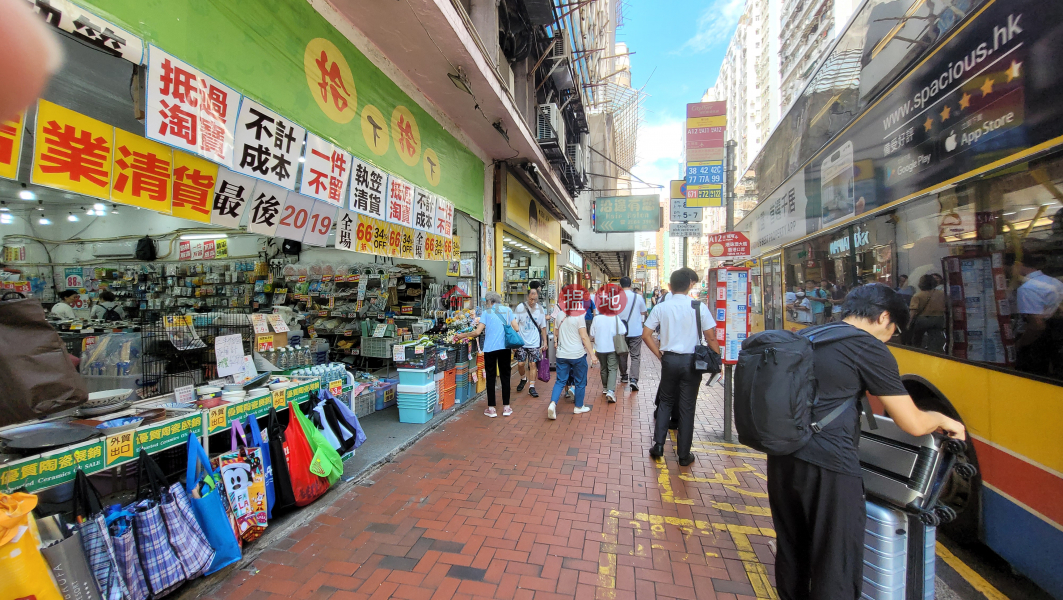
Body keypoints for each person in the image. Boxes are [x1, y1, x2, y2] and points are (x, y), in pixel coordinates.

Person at [767, 283, 965, 600]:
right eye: (894, 329)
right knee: (836, 561)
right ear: (884, 317)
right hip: (829, 466)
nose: (890, 336)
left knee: (792, 549)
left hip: (783, 457)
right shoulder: (868, 347)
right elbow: (912, 422)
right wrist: (943, 419)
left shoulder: (812, 336)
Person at [641, 269, 719, 465]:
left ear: (669, 286)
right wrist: (718, 359)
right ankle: (684, 455)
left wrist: (659, 354)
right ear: (690, 285)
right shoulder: (698, 307)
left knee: (666, 402)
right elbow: (710, 337)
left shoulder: (662, 307)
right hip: (692, 362)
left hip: (669, 360)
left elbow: (646, 334)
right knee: (687, 407)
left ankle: (658, 445)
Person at [455, 292, 520, 417]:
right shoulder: (507, 310)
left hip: (490, 349)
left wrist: (462, 336)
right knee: (505, 376)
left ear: (490, 301)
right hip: (505, 348)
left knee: (490, 377)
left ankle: (491, 409)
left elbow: (477, 332)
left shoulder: (486, 312)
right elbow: (516, 328)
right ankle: (506, 407)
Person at [547, 296, 599, 419]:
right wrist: (592, 354)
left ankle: (553, 404)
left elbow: (556, 333)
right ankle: (578, 407)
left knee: (560, 381)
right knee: (580, 381)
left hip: (561, 354)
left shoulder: (559, 315)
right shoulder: (579, 315)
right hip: (577, 354)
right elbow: (584, 337)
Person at [1011, 253, 1063, 376]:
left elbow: (1037, 325)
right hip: (1056, 342)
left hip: (1037, 346)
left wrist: (1020, 344)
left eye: (1008, 267)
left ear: (1017, 265)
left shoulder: (1027, 288)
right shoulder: (1054, 282)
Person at [513, 287, 547, 398]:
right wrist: (514, 342)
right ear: (528, 296)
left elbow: (543, 327)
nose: (532, 302)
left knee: (533, 364)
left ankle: (532, 387)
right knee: (520, 364)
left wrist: (545, 342)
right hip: (521, 342)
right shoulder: (520, 308)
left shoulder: (540, 310)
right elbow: (515, 324)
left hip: (535, 342)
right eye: (531, 299)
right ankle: (523, 379)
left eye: (535, 299)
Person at [616, 277, 648, 391]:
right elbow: (643, 311)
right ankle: (634, 379)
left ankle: (624, 376)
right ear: (630, 284)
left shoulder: (616, 298)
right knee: (635, 356)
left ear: (620, 285)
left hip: (620, 331)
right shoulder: (638, 297)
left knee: (622, 353)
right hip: (636, 331)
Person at [589, 309, 626, 402]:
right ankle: (610, 391)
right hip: (613, 347)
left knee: (603, 367)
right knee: (612, 368)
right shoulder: (615, 317)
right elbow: (623, 331)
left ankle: (605, 387)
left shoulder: (596, 318)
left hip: (599, 348)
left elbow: (592, 333)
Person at [907, 273, 947, 352]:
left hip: (922, 319)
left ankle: (918, 352)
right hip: (938, 319)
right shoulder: (942, 294)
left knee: (917, 338)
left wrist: (908, 323)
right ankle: (934, 354)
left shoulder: (917, 295)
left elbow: (913, 311)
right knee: (935, 340)